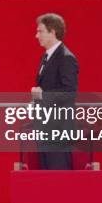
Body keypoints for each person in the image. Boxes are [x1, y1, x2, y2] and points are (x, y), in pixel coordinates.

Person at [32, 13, 78, 170]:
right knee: (46, 177)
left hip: (57, 129)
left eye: (40, 31)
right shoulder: (46, 57)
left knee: (59, 177)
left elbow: (69, 92)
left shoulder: (66, 57)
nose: (36, 35)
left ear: (52, 32)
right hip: (45, 127)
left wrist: (41, 95)